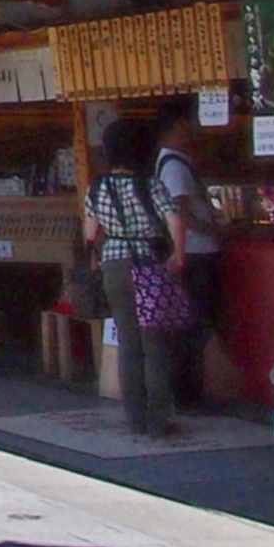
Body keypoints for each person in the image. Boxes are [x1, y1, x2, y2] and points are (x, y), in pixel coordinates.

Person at [84, 118, 188, 437]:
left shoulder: (98, 187)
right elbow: (175, 220)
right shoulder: (150, 184)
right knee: (154, 344)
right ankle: (160, 420)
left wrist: (96, 256)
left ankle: (135, 418)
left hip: (113, 264)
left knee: (128, 342)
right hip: (147, 263)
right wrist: (178, 254)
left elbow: (89, 231)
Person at [154, 99, 222, 409]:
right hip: (195, 252)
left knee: (192, 323)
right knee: (194, 324)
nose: (193, 130)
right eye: (189, 124)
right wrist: (210, 231)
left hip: (194, 252)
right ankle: (188, 395)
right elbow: (178, 211)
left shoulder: (173, 163)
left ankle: (188, 392)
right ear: (177, 127)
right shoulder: (174, 167)